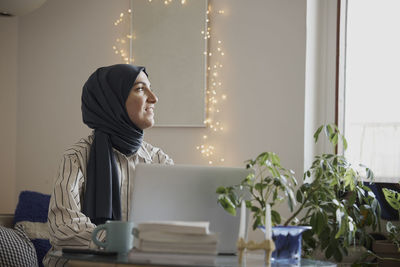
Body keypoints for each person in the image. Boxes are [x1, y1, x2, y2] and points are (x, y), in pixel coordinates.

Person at [43, 64, 173, 266]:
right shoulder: (76, 157)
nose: (154, 98)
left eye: (151, 88)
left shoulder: (160, 161)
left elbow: (175, 226)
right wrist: (123, 242)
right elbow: (63, 228)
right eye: (140, 89)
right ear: (112, 102)